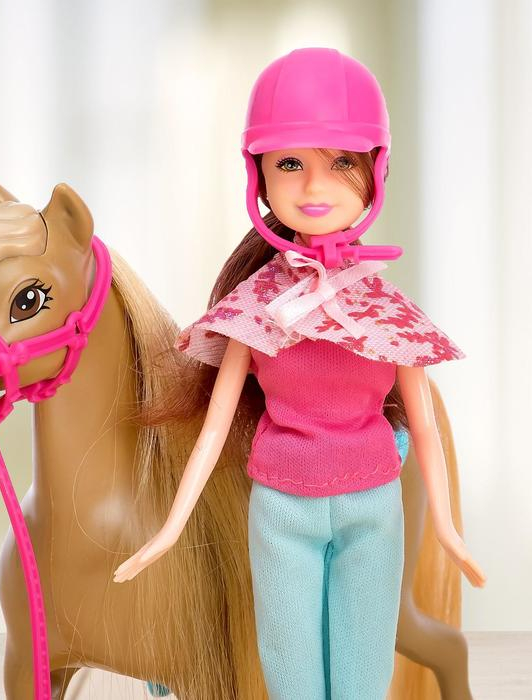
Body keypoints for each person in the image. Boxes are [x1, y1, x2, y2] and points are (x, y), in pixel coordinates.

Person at [113, 47, 486, 699]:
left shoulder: (386, 313)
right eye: (290, 164)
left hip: (373, 507)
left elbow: (423, 427)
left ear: (375, 169)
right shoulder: (256, 307)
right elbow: (214, 430)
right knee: (292, 676)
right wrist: (170, 530)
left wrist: (449, 530)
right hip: (282, 510)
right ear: (258, 174)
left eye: (341, 162)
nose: (314, 188)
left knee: (363, 676)